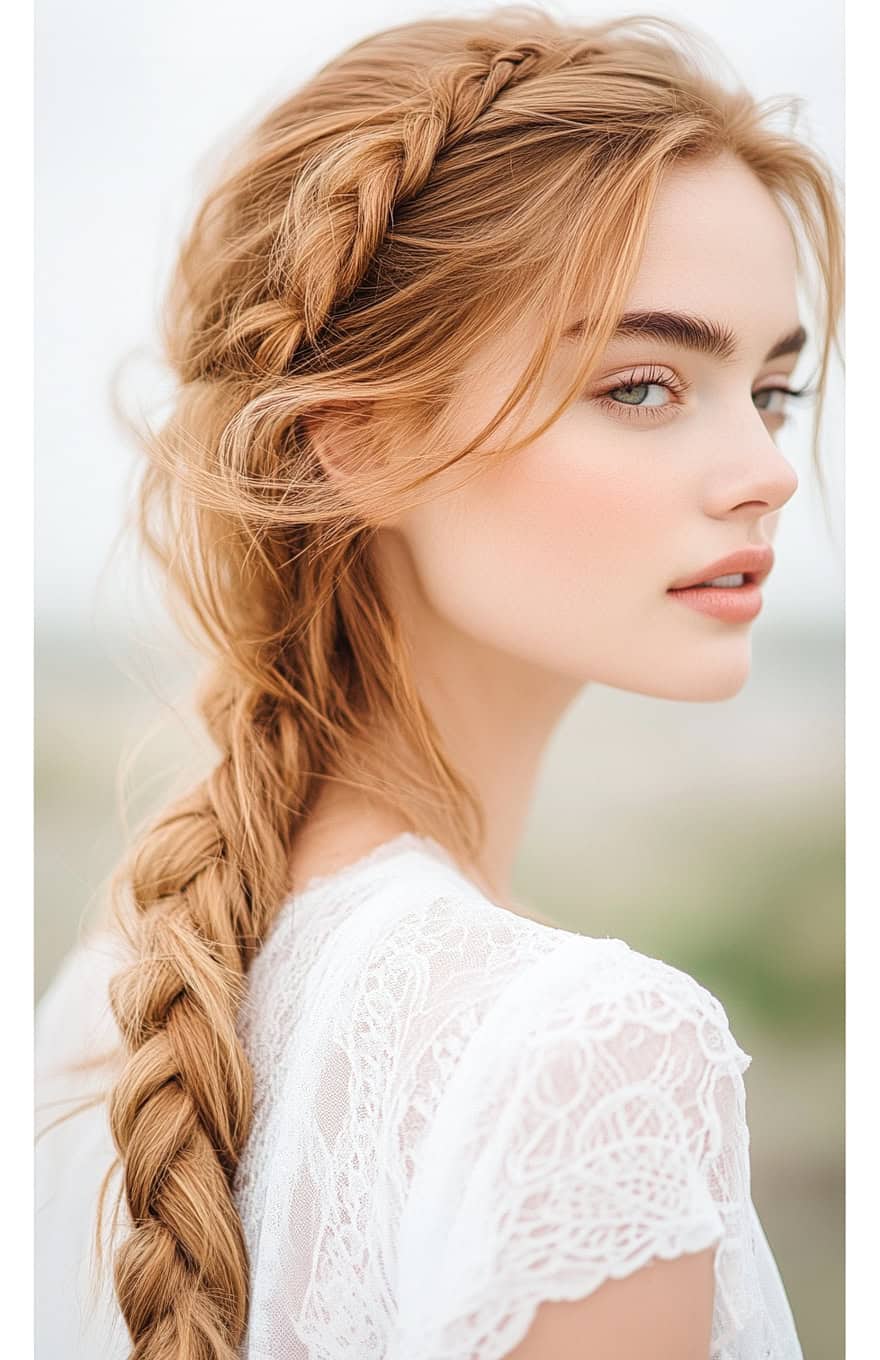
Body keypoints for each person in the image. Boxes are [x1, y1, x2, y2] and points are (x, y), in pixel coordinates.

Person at [34, 6, 843, 1358]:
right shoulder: (595, 1057)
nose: (764, 469)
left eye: (770, 391)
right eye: (645, 385)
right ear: (358, 441)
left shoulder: (135, 959)